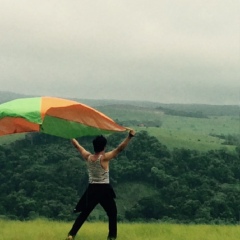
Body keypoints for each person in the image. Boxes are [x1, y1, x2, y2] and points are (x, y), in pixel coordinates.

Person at [65, 129, 135, 240]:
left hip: (92, 189)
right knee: (112, 213)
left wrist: (69, 135)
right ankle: (111, 237)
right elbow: (119, 149)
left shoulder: (88, 157)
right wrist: (129, 137)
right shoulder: (104, 158)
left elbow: (78, 146)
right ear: (104, 146)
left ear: (94, 146)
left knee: (84, 214)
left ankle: (71, 234)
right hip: (104, 189)